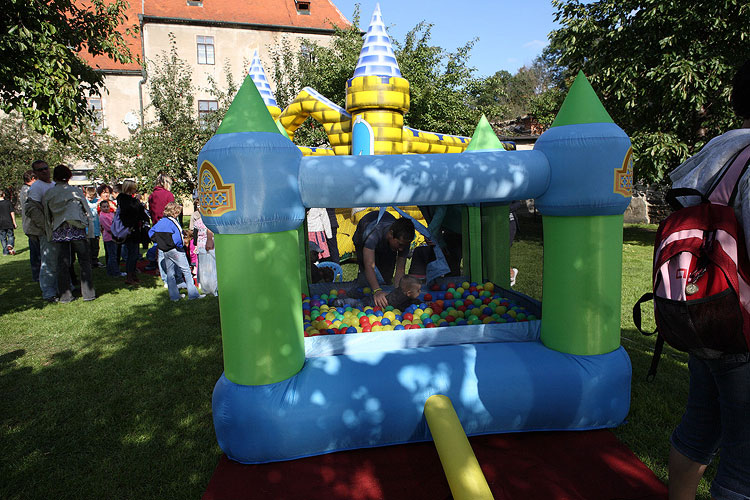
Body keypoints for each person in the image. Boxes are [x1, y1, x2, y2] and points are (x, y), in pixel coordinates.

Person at [665, 60, 750, 500]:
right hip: (744, 329)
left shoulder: (722, 149)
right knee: (743, 468)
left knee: (698, 430)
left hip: (701, 313)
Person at [42, 165, 95, 303]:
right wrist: (90, 231)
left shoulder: (50, 193)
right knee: (84, 261)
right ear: (69, 176)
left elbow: (47, 216)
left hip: (59, 230)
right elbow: (87, 211)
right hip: (76, 228)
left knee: (62, 263)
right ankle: (88, 294)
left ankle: (65, 295)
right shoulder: (74, 191)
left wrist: (49, 233)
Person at [352, 211, 415, 308]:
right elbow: (369, 265)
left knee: (386, 277)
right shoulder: (373, 234)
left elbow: (400, 269)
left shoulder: (403, 240)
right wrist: (377, 291)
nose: (402, 249)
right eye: (400, 244)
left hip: (387, 242)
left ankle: (382, 298)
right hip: (363, 237)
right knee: (367, 280)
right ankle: (357, 299)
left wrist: (398, 294)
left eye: (404, 245)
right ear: (391, 234)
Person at [148, 201, 204, 301]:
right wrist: (176, 245)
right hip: (175, 250)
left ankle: (174, 296)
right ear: (175, 212)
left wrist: (160, 242)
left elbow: (151, 233)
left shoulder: (160, 221)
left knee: (170, 273)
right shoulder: (173, 222)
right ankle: (193, 294)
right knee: (186, 270)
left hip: (165, 250)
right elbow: (179, 238)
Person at [25, 160, 58, 301]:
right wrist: (46, 228)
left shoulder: (54, 185)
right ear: (36, 173)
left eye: (46, 168)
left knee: (60, 260)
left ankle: (61, 287)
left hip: (58, 228)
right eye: (40, 170)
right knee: (48, 261)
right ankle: (48, 292)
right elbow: (31, 209)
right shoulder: (36, 187)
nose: (44, 171)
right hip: (46, 231)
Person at [117, 180, 150, 285]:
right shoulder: (124, 200)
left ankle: (132, 274)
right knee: (132, 254)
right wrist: (138, 201)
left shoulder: (129, 200)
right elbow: (132, 211)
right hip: (130, 230)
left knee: (134, 254)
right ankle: (129, 276)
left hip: (134, 230)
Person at [335, 275, 421, 311]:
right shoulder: (402, 298)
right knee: (359, 304)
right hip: (375, 303)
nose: (420, 292)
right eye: (418, 290)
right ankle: (342, 302)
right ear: (409, 293)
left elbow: (412, 301)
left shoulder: (402, 290)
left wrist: (421, 303)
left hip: (375, 298)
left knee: (364, 296)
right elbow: (403, 307)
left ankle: (353, 293)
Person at [147, 174, 175, 278]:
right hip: (167, 225)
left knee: (160, 250)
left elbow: (151, 210)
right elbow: (172, 211)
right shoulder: (168, 195)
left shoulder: (152, 195)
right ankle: (169, 273)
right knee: (170, 250)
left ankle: (160, 271)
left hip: (156, 225)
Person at [19, 170, 39, 279]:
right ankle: (37, 275)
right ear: (32, 179)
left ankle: (37, 274)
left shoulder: (25, 190)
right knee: (36, 252)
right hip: (32, 225)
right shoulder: (28, 191)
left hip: (30, 225)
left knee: (35, 251)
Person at [98, 199, 120, 277]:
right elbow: (108, 228)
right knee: (112, 256)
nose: (106, 208)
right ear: (100, 208)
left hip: (114, 236)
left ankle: (112, 271)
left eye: (107, 206)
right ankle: (114, 272)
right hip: (109, 238)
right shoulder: (102, 216)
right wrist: (116, 232)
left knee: (114, 255)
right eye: (104, 207)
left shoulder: (111, 214)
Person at [85, 186, 101, 267]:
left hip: (96, 229)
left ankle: (95, 260)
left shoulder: (97, 201)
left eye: (92, 197)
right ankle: (88, 261)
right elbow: (89, 207)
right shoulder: (84, 202)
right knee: (88, 247)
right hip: (87, 229)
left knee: (95, 246)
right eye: (88, 197)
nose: (90, 199)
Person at [0, 188, 17, 255]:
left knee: (2, 238)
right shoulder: (8, 203)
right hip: (8, 221)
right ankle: (10, 245)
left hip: (0, 223)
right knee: (10, 235)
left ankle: (5, 252)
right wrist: (14, 222)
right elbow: (12, 213)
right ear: (3, 195)